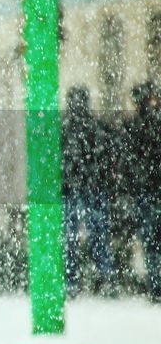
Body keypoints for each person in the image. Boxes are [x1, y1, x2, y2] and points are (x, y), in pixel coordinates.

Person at [61, 86, 113, 295]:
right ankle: (104, 276)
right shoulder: (96, 127)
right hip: (92, 189)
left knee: (70, 239)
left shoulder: (65, 128)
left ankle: (71, 281)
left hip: (73, 190)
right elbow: (105, 158)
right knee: (97, 236)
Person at [125, 81, 161, 302]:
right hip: (150, 189)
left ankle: (156, 284)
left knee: (150, 240)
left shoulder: (134, 125)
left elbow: (128, 161)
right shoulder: (154, 123)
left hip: (144, 191)